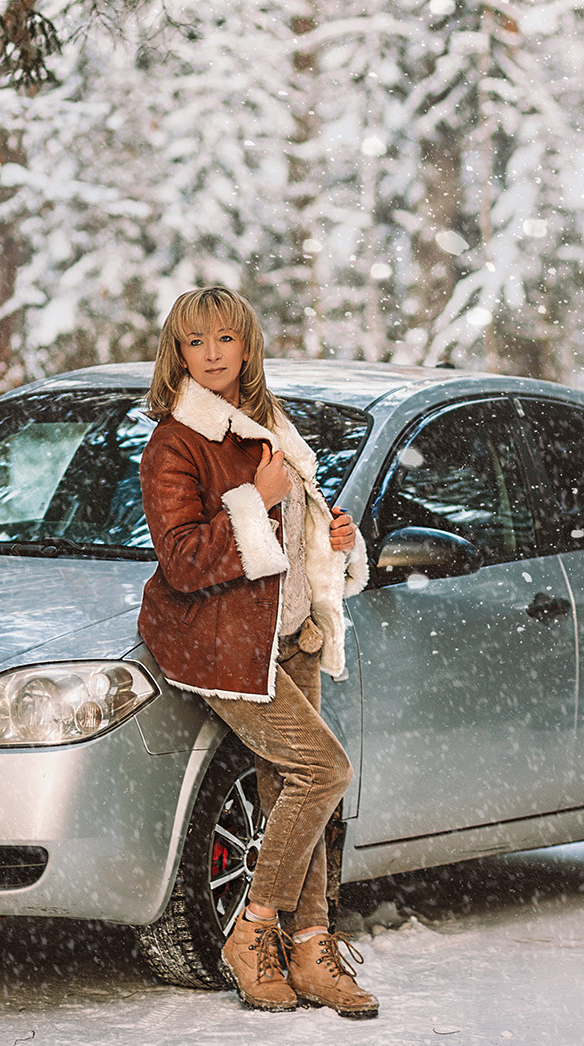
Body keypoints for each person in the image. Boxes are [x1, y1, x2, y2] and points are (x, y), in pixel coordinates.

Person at [136, 285, 378, 1019]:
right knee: (324, 770)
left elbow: (295, 526)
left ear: (247, 345)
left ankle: (310, 951)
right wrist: (252, 495)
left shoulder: (268, 421)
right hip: (226, 647)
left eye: (224, 338)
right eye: (194, 341)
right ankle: (253, 930)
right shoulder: (175, 441)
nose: (211, 353)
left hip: (291, 634)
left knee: (288, 795)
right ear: (177, 354)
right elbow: (182, 559)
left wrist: (338, 540)